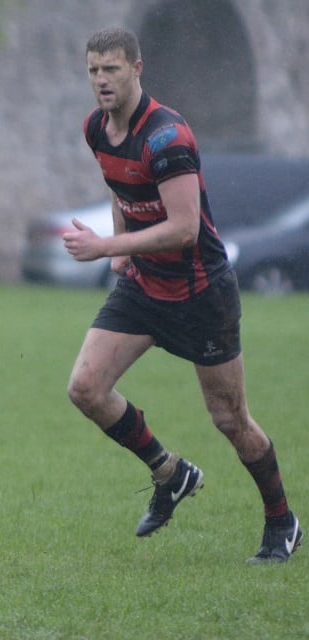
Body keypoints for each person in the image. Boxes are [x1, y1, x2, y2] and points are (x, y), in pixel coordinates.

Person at [63, 27, 302, 563]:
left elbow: (184, 228)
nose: (102, 80)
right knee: (85, 388)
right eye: (94, 70)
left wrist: (107, 245)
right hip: (144, 286)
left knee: (230, 420)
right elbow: (119, 185)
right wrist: (124, 249)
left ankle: (281, 521)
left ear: (137, 68)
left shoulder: (166, 137)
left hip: (200, 295)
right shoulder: (96, 129)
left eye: (112, 70)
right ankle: (170, 473)